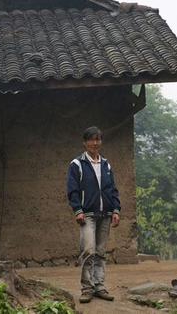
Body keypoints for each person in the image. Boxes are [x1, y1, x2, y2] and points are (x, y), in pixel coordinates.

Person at [66, 126, 121, 303]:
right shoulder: (77, 164)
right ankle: (87, 288)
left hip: (105, 213)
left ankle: (99, 286)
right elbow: (72, 190)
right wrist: (78, 210)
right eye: (91, 139)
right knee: (88, 251)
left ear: (101, 142)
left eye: (98, 139)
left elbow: (113, 190)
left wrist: (116, 210)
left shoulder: (106, 164)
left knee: (100, 252)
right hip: (87, 214)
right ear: (85, 142)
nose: (95, 143)